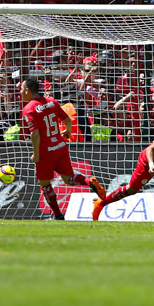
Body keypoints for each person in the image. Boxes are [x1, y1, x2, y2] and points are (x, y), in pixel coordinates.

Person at [20, 77, 106, 220]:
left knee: (45, 183)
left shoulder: (28, 109)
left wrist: (36, 155)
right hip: (60, 146)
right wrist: (68, 132)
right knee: (68, 178)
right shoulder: (52, 102)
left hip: (45, 152)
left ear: (28, 91)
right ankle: (88, 181)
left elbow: (35, 133)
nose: (21, 92)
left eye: (22, 89)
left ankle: (58, 215)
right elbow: (67, 119)